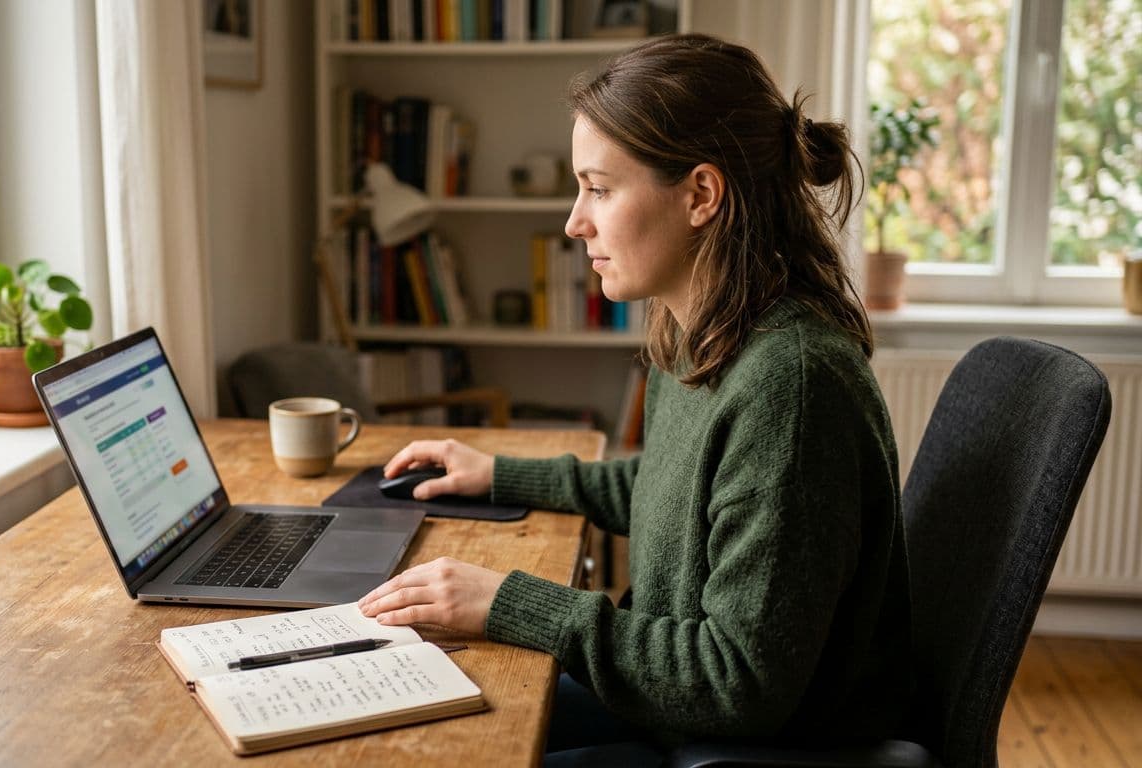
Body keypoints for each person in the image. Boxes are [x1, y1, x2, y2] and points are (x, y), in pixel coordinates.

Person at [358, 33, 913, 764]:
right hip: (677, 707)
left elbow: (740, 681)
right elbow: (671, 490)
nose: (573, 221)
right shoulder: (705, 330)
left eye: (599, 187)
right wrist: (498, 474)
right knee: (420, 714)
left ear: (701, 195)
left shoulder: (792, 385)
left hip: (746, 742)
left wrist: (509, 603)